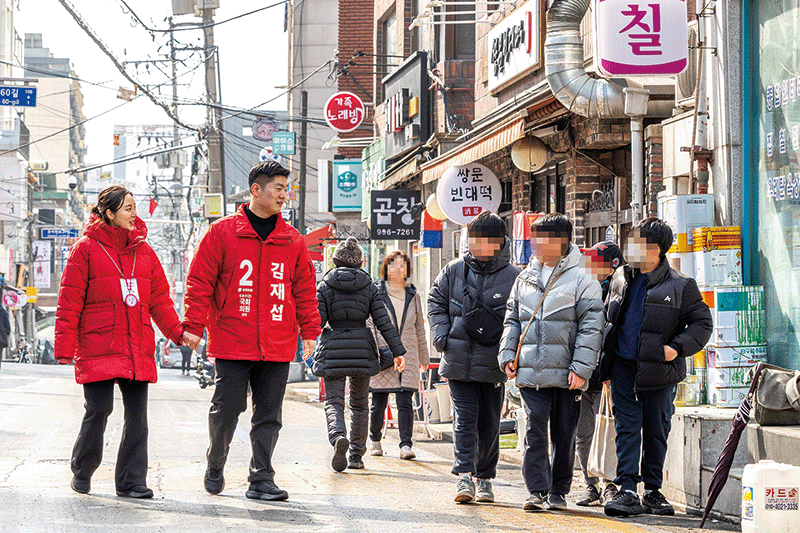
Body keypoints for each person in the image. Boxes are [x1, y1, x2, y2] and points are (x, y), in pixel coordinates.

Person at [182, 160, 320, 501]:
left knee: (269, 415)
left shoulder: (292, 240)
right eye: (278, 188)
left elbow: (304, 289)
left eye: (286, 189)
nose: (283, 196)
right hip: (232, 340)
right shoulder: (222, 233)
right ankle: (216, 461)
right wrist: (193, 326)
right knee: (226, 409)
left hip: (277, 341)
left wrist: (310, 331)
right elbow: (199, 282)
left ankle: (261, 478)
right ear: (256, 190)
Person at [54, 185, 193, 498]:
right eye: (128, 208)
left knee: (137, 418)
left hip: (135, 345)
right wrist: (64, 348)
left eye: (134, 207)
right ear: (109, 213)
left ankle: (131, 481)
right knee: (99, 410)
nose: (134, 214)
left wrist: (177, 332)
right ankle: (83, 468)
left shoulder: (144, 252)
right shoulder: (85, 249)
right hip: (97, 344)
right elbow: (69, 302)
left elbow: (159, 300)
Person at [601, 218, 712, 517]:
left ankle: (652, 491)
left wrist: (675, 348)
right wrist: (605, 367)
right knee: (626, 427)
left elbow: (702, 323)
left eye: (636, 243)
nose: (629, 249)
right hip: (623, 366)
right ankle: (626, 490)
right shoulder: (621, 277)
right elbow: (609, 320)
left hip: (660, 370)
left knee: (656, 428)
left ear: (656, 249)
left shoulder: (681, 285)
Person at [499, 213, 604, 512]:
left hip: (567, 371)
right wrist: (507, 355)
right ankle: (536, 490)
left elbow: (591, 326)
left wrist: (581, 368)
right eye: (534, 238)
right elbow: (512, 320)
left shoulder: (584, 277)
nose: (534, 244)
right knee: (534, 428)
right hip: (531, 370)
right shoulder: (524, 277)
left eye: (541, 238)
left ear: (562, 241)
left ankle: (559, 489)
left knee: (563, 432)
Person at [428, 211, 520, 504]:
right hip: (457, 359)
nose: (478, 244)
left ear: (500, 242)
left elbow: (519, 316)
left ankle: (485, 479)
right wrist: (441, 336)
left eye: (486, 239)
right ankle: (464, 477)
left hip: (492, 362)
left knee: (490, 422)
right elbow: (435, 302)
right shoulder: (453, 270)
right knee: (464, 419)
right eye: (474, 238)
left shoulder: (514, 277)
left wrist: (510, 351)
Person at [311, 237, 406, 472]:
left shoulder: (324, 286)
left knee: (334, 401)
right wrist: (398, 351)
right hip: (362, 349)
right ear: (360, 263)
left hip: (332, 347)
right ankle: (355, 454)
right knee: (360, 404)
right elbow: (384, 323)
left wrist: (307, 341)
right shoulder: (369, 287)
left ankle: (338, 437)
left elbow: (317, 322)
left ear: (335, 261)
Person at [574, 242, 626, 507]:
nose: (588, 266)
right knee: (584, 433)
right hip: (582, 373)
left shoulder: (622, 291)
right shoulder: (580, 287)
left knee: (610, 430)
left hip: (610, 376)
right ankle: (590, 484)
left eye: (595, 261)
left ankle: (611, 485)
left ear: (613, 265)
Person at [368, 251, 430, 460]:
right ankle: (375, 440)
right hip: (383, 352)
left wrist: (424, 356)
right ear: (386, 268)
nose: (398, 269)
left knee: (406, 400)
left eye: (403, 265)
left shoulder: (413, 296)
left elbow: (419, 327)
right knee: (379, 401)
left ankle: (405, 444)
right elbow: (370, 324)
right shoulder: (376, 292)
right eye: (393, 265)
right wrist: (376, 351)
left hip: (408, 353)